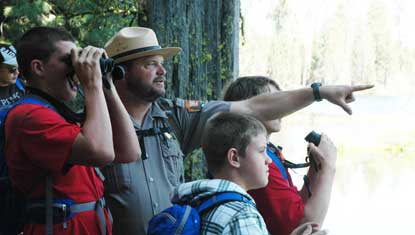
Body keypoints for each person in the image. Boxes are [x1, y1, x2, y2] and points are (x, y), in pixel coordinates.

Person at [103, 26, 373, 234]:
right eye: (150, 64)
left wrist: (319, 92)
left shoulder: (175, 118)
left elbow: (251, 108)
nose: (163, 70)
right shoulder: (96, 129)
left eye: (162, 61)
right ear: (118, 74)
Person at [5, 26, 140, 235]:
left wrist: (106, 85)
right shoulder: (28, 116)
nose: (78, 68)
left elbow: (129, 151)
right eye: (69, 61)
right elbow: (102, 152)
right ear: (38, 68)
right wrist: (92, 85)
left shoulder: (59, 114)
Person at [171, 112, 327, 235]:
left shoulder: (201, 201)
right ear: (234, 157)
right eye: (261, 151)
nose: (269, 161)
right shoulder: (241, 216)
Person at [223, 76, 337, 235]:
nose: (284, 108)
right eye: (276, 101)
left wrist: (316, 169)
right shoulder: (255, 161)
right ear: (253, 106)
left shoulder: (267, 152)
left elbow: (297, 206)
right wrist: (329, 168)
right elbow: (305, 227)